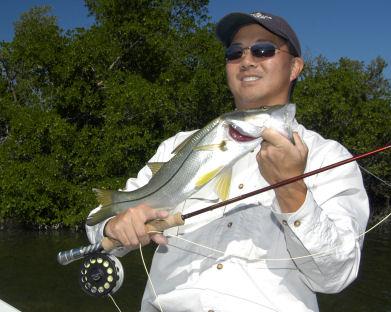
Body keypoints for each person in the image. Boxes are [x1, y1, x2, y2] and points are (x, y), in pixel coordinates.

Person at [86, 11, 369, 312]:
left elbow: (336, 276)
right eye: (235, 53)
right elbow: (96, 224)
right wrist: (113, 228)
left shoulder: (330, 157)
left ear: (295, 67)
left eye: (263, 49)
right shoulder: (176, 146)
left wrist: (293, 191)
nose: (247, 60)